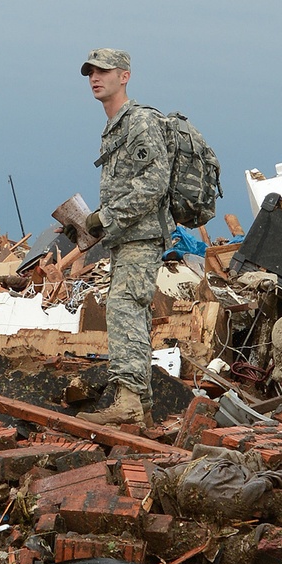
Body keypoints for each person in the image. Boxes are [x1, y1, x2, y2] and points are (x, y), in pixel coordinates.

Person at [77, 48, 170, 430]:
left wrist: (108, 217)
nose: (95, 78)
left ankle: (128, 401)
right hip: (125, 238)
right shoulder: (115, 126)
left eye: (104, 71)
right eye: (91, 73)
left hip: (140, 238)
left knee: (124, 310)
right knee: (131, 312)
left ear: (125, 76)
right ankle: (142, 409)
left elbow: (155, 181)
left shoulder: (140, 121)